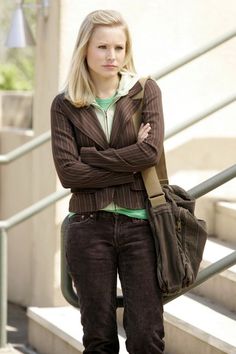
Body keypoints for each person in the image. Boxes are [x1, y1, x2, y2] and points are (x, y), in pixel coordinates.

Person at [51, 9, 165, 354]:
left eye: (119, 47)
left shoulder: (145, 91)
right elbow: (69, 174)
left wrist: (93, 158)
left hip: (140, 226)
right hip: (88, 227)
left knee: (146, 337)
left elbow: (150, 155)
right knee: (98, 339)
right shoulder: (64, 104)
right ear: (85, 49)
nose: (111, 56)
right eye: (102, 47)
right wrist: (129, 157)